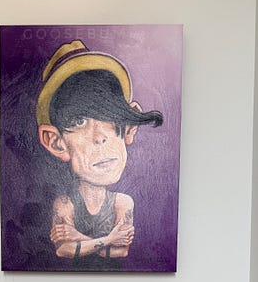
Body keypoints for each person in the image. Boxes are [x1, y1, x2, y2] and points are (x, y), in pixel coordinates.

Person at [36, 40, 163, 270]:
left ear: (129, 127)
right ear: (56, 142)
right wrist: (111, 238)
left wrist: (77, 237)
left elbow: (121, 251)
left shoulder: (123, 202)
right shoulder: (64, 204)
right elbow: (62, 250)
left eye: (109, 114)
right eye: (79, 121)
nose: (100, 137)